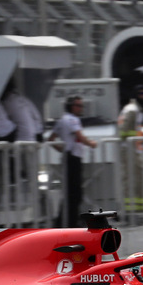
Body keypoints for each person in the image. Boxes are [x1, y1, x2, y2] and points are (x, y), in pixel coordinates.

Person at [49, 96, 97, 227]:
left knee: (69, 192)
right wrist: (91, 143)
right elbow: (80, 136)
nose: (81, 108)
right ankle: (70, 222)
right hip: (74, 159)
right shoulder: (73, 120)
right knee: (75, 193)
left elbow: (51, 139)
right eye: (79, 106)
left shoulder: (62, 120)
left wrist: (62, 150)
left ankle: (62, 221)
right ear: (72, 106)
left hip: (68, 157)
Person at [117, 85, 143, 216]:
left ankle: (138, 208)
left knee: (136, 178)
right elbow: (123, 131)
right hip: (130, 149)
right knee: (133, 179)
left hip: (135, 148)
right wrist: (138, 134)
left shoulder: (134, 109)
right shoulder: (133, 110)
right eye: (142, 93)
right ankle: (132, 210)